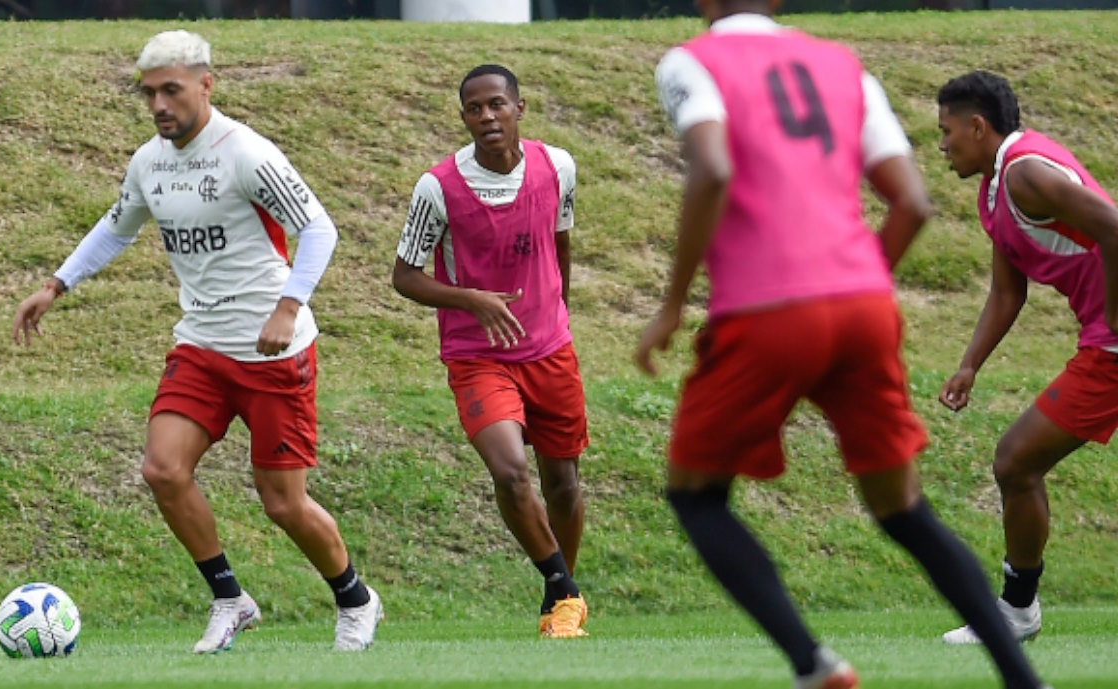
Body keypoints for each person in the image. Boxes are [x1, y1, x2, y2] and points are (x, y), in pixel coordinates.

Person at [636, 2, 1049, 688]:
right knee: (903, 508)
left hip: (767, 308)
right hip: (864, 306)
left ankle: (813, 663)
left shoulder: (692, 60)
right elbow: (912, 202)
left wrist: (674, 304)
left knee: (697, 494)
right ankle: (1024, 680)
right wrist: (850, 287)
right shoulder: (843, 65)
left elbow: (710, 169)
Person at [12, 30, 383, 654]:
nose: (159, 104)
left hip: (273, 353)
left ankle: (355, 598)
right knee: (162, 469)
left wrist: (288, 308)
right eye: (149, 92)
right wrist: (56, 285)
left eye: (171, 90)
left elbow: (318, 228)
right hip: (201, 347)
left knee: (282, 503)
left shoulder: (247, 154)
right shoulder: (149, 162)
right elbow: (116, 226)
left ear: (206, 85)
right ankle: (229, 599)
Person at [391, 64, 590, 639]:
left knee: (564, 484)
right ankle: (566, 590)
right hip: (477, 355)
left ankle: (561, 608)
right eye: (475, 109)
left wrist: (560, 315)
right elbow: (404, 276)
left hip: (550, 350)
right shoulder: (437, 188)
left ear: (519, 108)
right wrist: (470, 300)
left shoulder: (558, 168)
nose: (486, 117)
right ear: (464, 117)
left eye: (497, 105)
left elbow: (561, 243)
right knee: (509, 471)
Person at [935, 70, 1118, 645]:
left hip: (1111, 346)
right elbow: (1007, 291)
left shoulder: (1026, 172)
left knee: (1016, 461)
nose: (942, 146)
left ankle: (1016, 614)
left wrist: (1113, 316)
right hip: (1106, 343)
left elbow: (1114, 228)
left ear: (977, 126)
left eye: (945, 132)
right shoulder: (997, 187)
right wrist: (971, 363)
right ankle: (1016, 612)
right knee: (1017, 462)